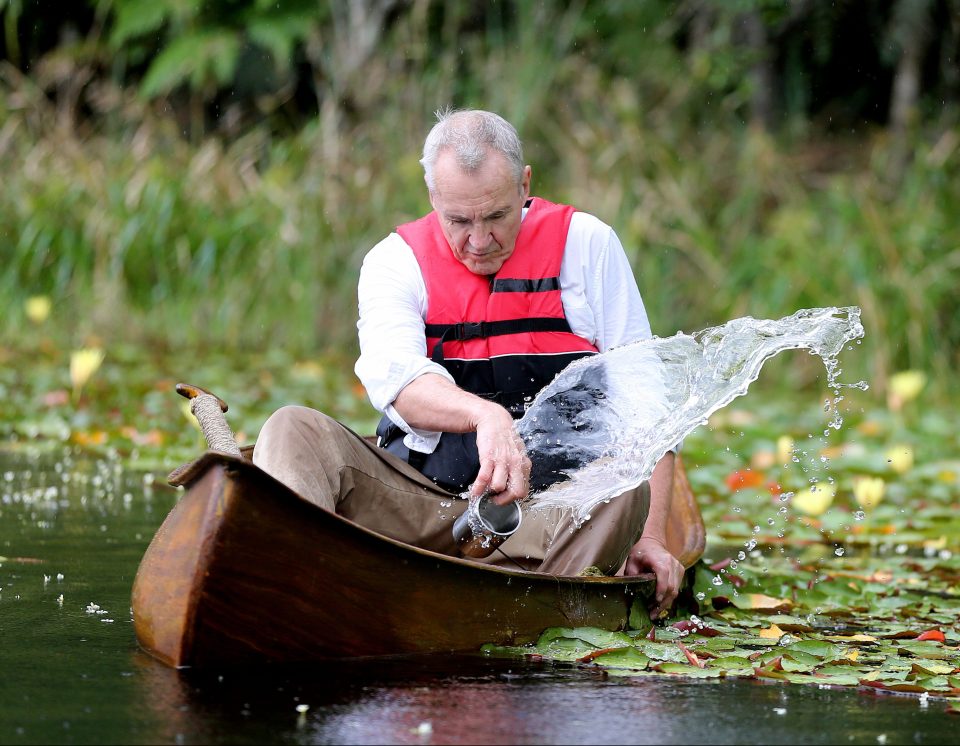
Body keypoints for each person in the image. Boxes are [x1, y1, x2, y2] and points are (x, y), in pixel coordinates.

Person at [253, 109, 684, 617]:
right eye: (459, 221)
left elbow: (648, 408)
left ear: (525, 185)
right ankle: (297, 591)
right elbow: (402, 383)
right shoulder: (394, 262)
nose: (479, 241)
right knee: (290, 429)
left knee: (624, 488)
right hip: (415, 504)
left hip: (546, 517)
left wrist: (651, 537)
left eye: (497, 217)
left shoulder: (588, 246)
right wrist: (486, 417)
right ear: (433, 197)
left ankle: (539, 610)